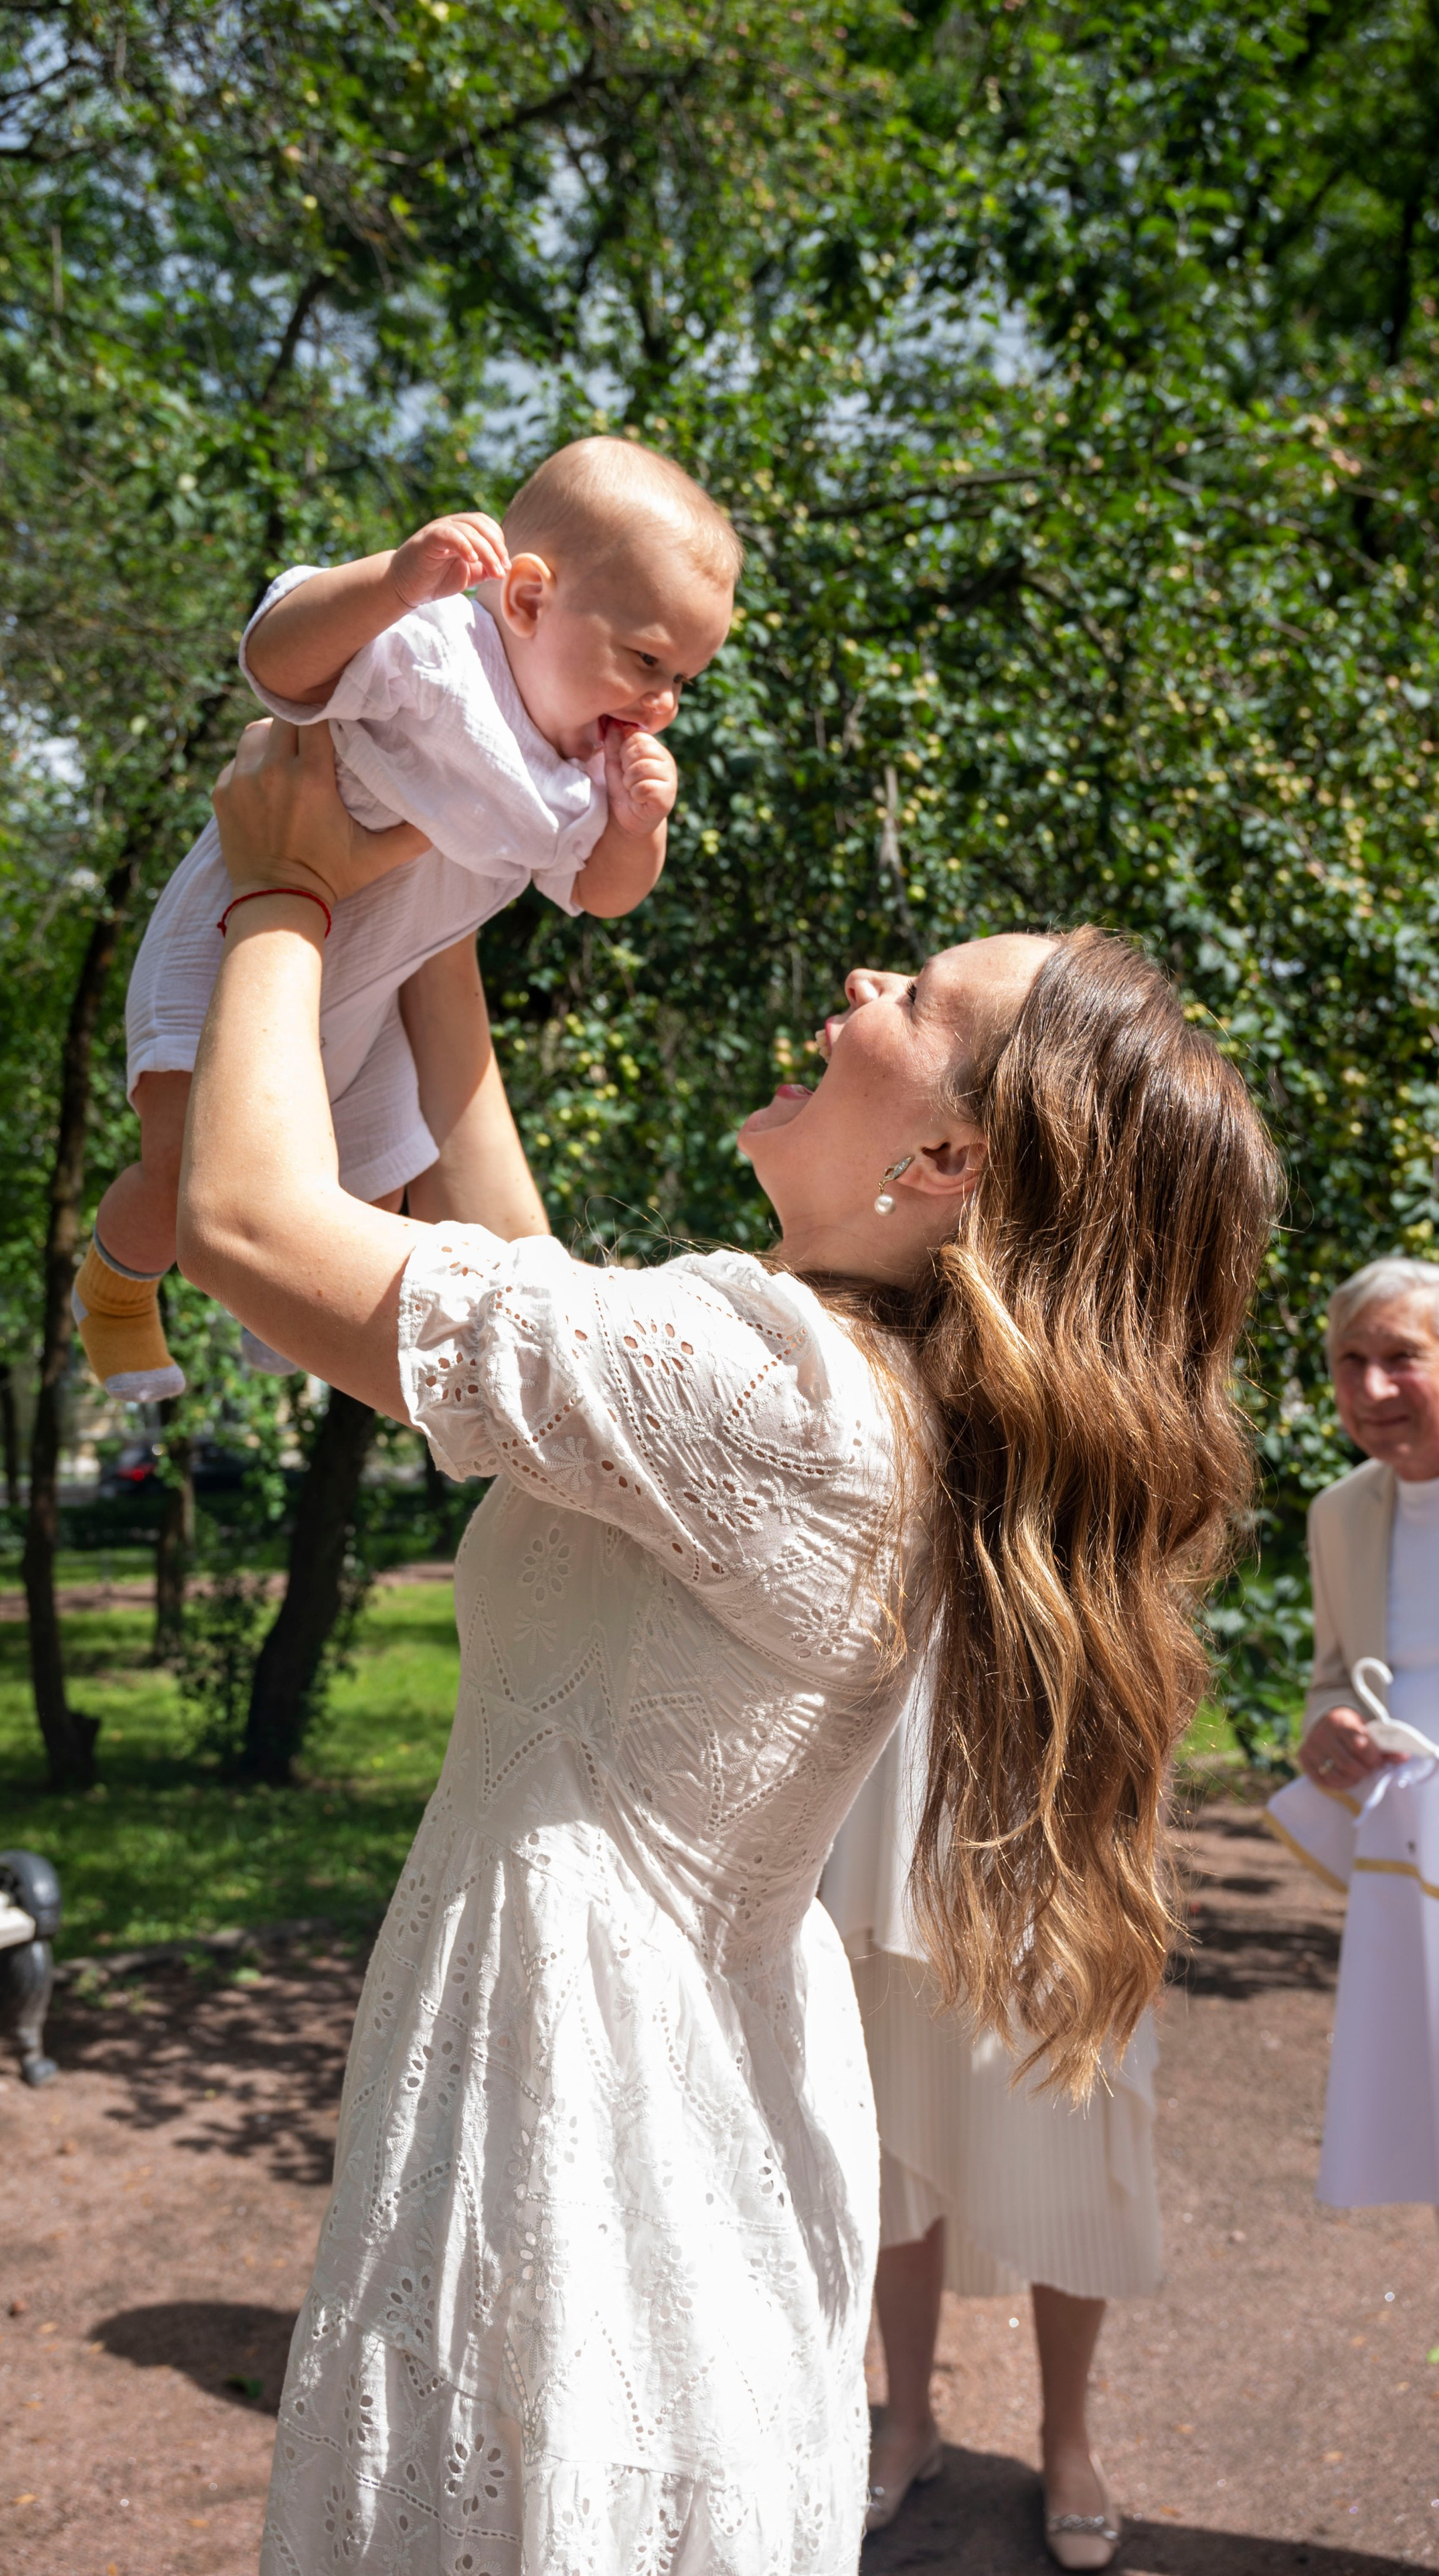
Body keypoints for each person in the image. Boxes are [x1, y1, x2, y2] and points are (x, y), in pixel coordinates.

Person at [178, 716, 1280, 2574]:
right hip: (652, 2103)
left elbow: (244, 1226)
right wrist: (439, 861)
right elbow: (514, 1268)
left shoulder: (774, 1396)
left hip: (582, 2133)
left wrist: (285, 889)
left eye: (916, 994)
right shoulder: (847, 1389)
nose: (860, 982)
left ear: (944, 1148)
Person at [74, 434, 739, 1400]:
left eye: (686, 680)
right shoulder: (440, 652)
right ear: (524, 600)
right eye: (647, 660)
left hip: (371, 992)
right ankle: (117, 1286)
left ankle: (286, 1320)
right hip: (233, 945)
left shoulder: (581, 777)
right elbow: (275, 662)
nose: (664, 703)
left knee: (375, 1193)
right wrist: (389, 582)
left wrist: (640, 830)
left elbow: (598, 894)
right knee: (186, 1165)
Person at [822, 1709, 1159, 2569]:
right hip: (893, 1750)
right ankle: (905, 2419)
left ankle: (1068, 2438)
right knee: (890, 2108)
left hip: (1061, 1730)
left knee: (1072, 2116)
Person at [1296, 1257, 1439, 1794]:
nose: (1373, 1388)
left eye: (1403, 1356)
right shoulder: (1338, 1513)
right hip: (1400, 1845)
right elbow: (1335, 1680)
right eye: (1351, 1359)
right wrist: (1329, 1723)